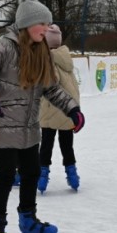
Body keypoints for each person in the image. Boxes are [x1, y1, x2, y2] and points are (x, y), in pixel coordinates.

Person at [0, 0, 85, 233]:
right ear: (28, 24)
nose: (47, 28)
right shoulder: (4, 47)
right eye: (43, 23)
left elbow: (51, 88)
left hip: (30, 127)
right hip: (3, 124)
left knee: (30, 174)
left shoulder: (41, 50)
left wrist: (72, 110)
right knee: (5, 177)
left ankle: (28, 220)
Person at [37, 24, 81, 193]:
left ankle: (42, 177)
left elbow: (50, 84)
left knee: (46, 146)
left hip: (50, 109)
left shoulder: (48, 59)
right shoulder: (65, 58)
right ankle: (73, 176)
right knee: (67, 146)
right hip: (68, 111)